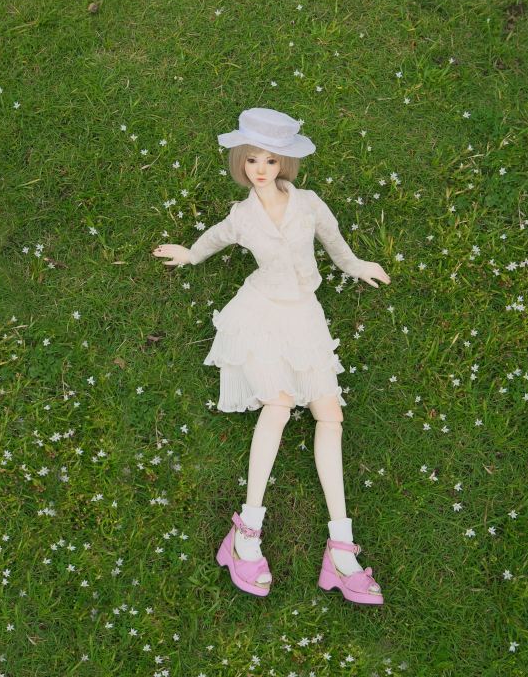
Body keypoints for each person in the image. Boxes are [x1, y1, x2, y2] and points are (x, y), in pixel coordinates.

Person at [153, 108, 391, 605]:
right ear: (240, 162)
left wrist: (356, 265)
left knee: (331, 415)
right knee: (278, 406)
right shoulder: (243, 216)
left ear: (285, 162)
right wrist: (190, 254)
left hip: (304, 315)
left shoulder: (308, 204)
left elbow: (335, 245)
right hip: (260, 313)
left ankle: (341, 547)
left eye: (270, 160)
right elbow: (217, 237)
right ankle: (246, 533)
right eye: (252, 160)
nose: (260, 169)